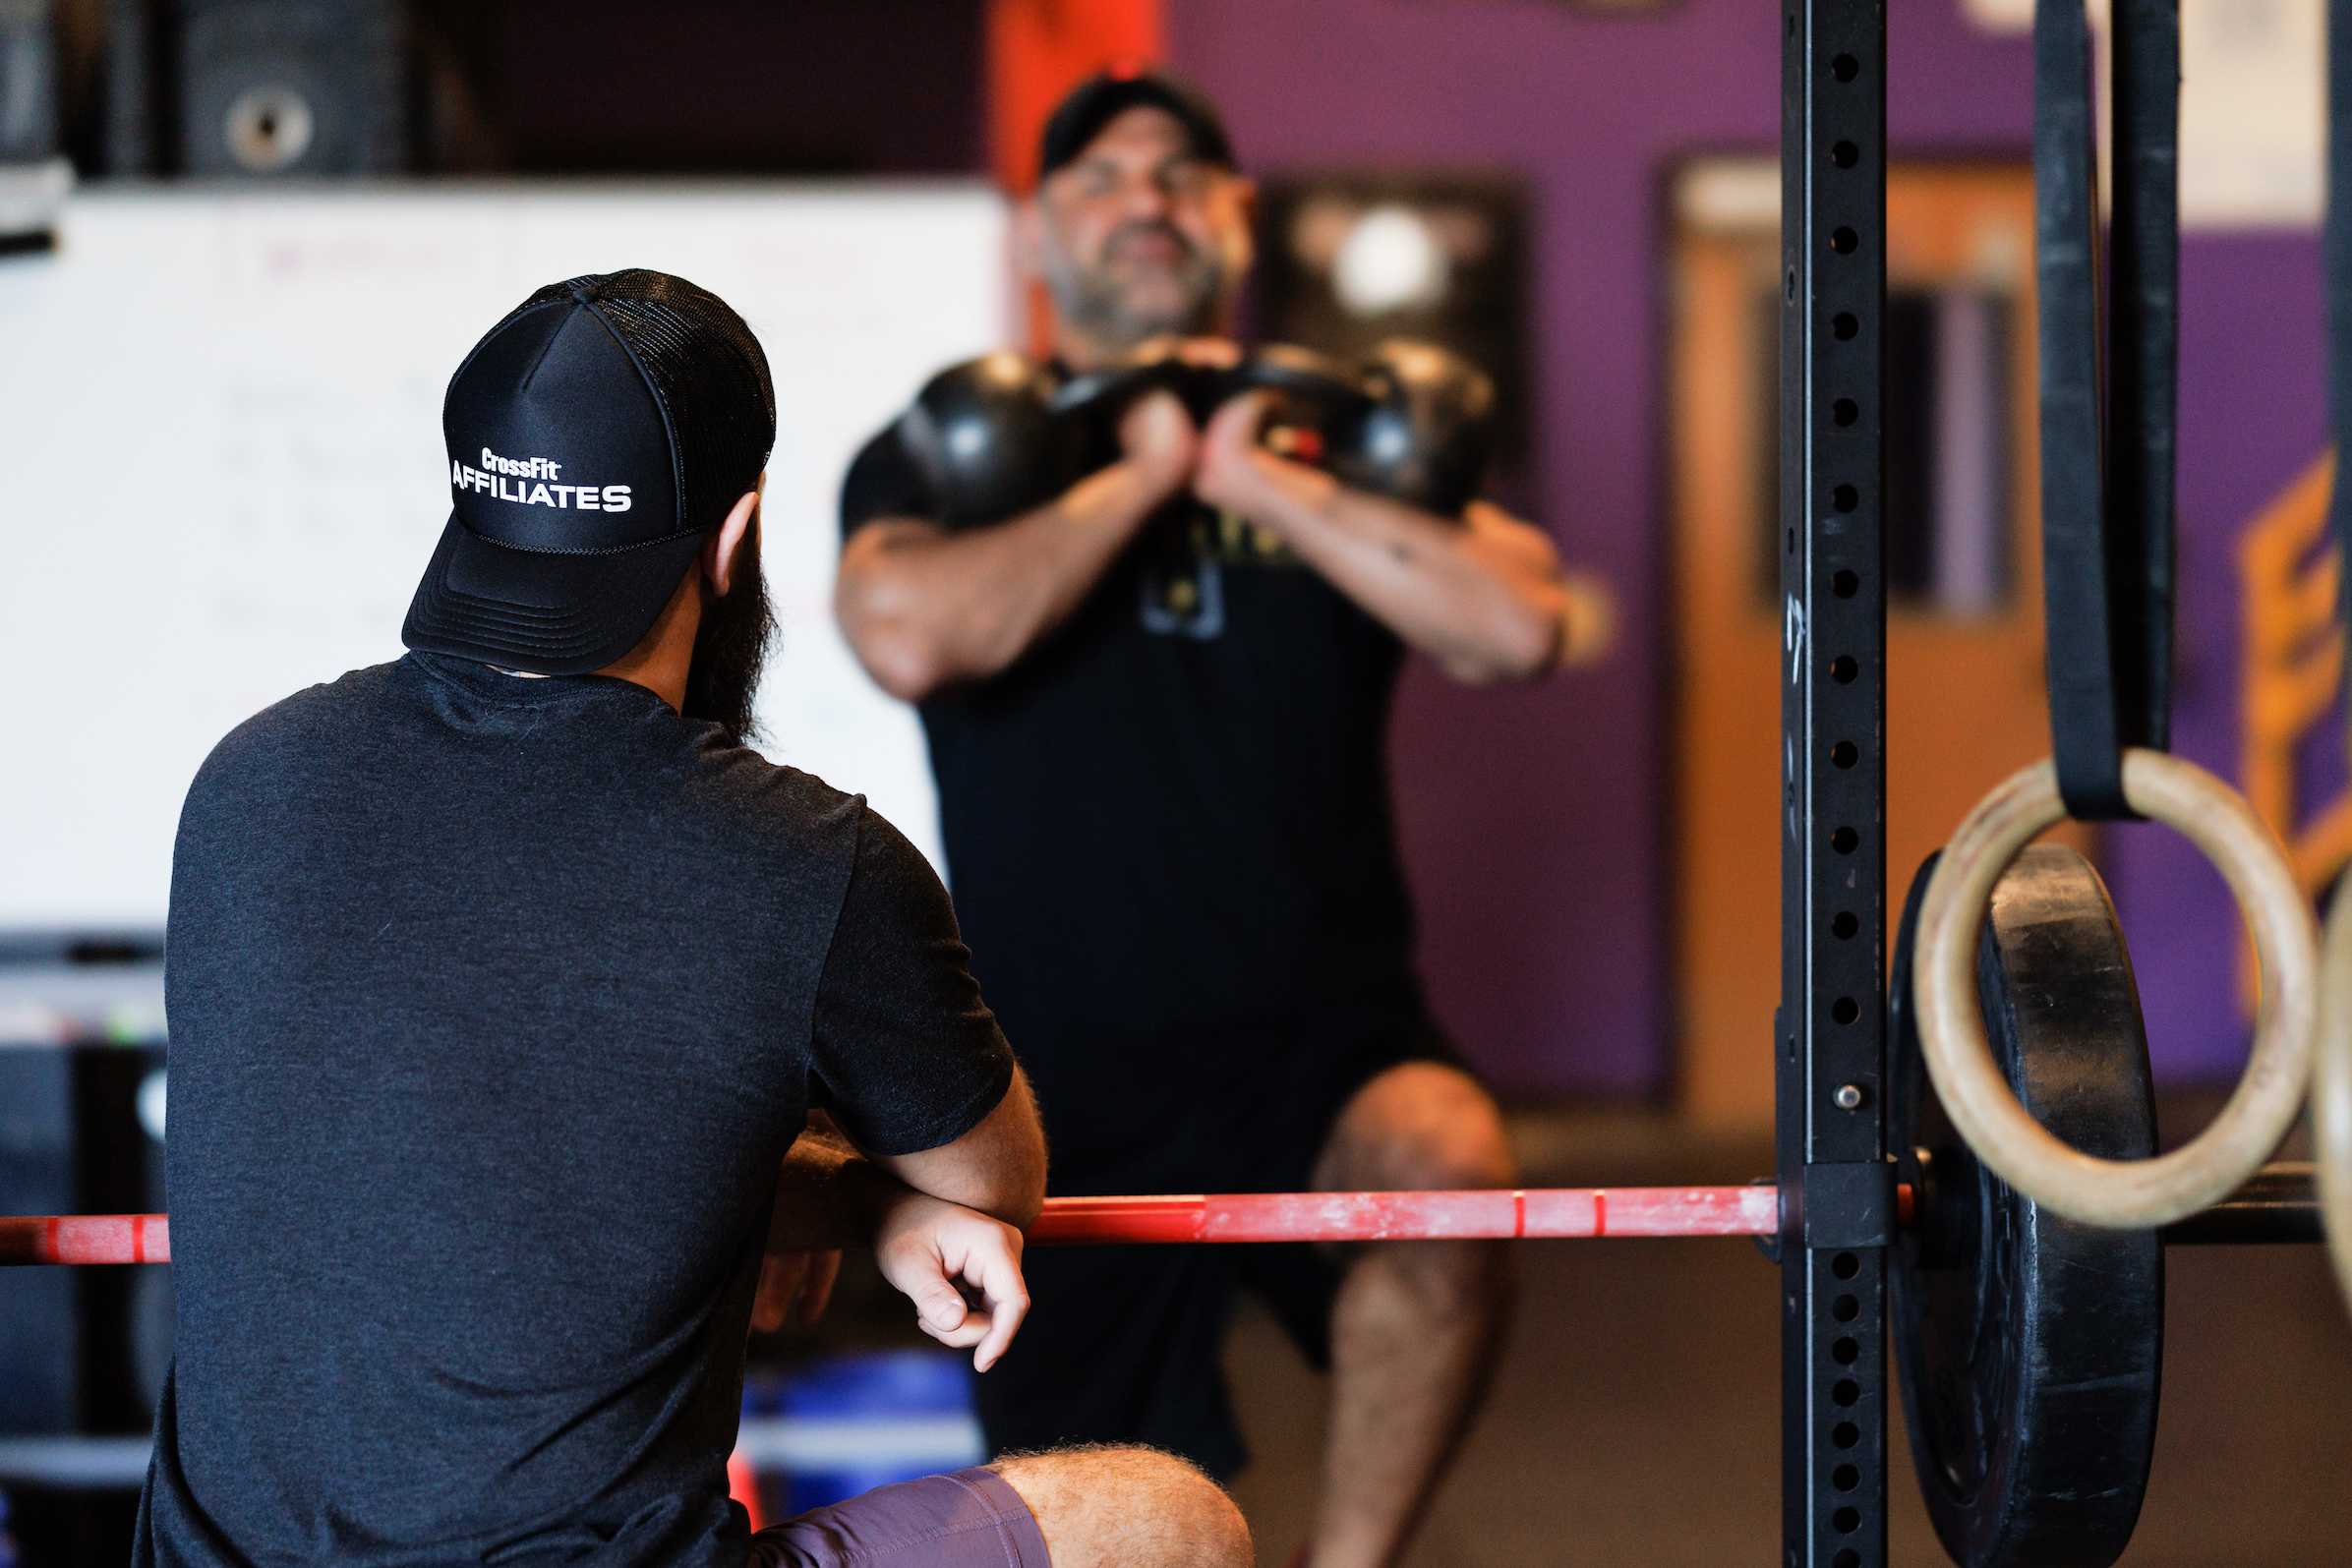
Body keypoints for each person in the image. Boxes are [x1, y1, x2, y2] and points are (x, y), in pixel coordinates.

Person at [138, 269, 1250, 1568]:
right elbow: (995, 1181)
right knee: (1172, 1523)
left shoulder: (247, 785)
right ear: (736, 538)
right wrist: (850, 1198)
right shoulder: (807, 859)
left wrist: (774, 1190)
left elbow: (468, 1095)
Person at [835, 71, 1608, 1568]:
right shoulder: (960, 445)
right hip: (1049, 1064)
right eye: (1101, 180)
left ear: (1238, 221)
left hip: (1318, 1031)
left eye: (1183, 176)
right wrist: (1141, 477)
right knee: (1118, 1514)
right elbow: (908, 631)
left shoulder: (1332, 438)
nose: (1145, 202)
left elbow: (1518, 622)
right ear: (1043, 241)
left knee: (1449, 1170)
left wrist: (1254, 471)